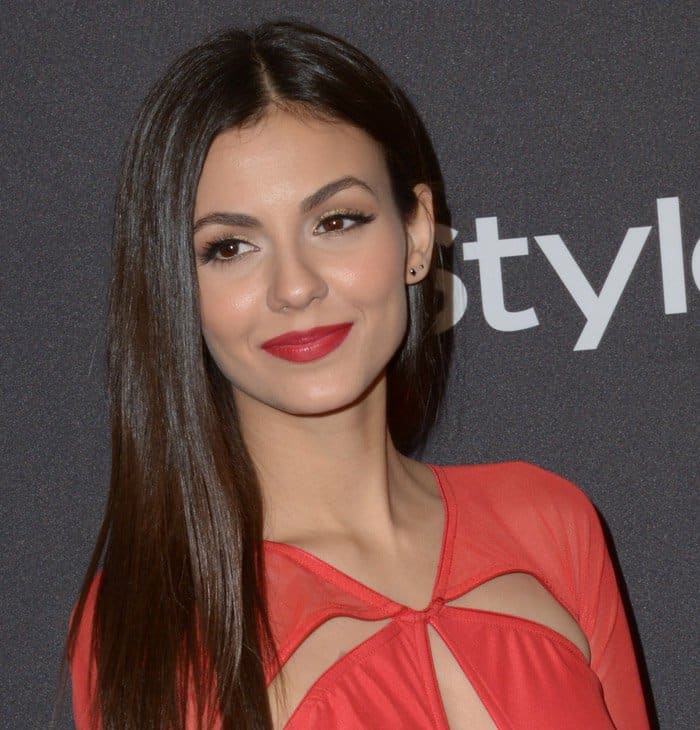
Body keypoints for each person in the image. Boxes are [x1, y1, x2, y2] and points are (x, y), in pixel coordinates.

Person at [66, 21, 650, 730]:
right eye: (229, 247)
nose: (294, 286)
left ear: (415, 233)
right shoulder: (153, 616)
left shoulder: (551, 521)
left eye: (337, 222)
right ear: (175, 285)